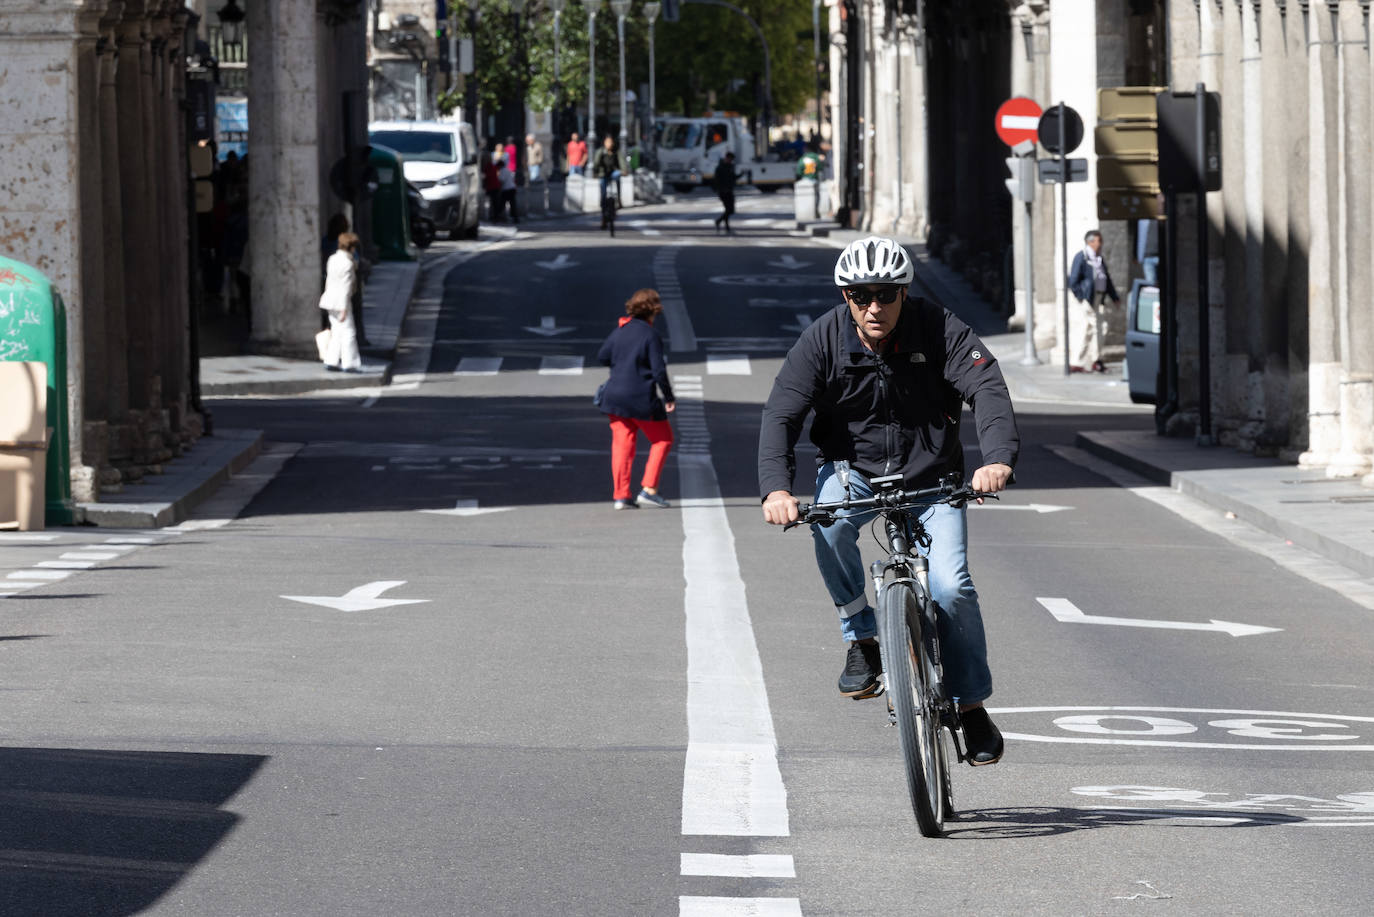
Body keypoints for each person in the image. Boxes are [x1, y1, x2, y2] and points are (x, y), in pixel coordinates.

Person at [758, 236, 1019, 766]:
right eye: (860, 296)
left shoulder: (940, 328)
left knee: (950, 587)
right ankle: (863, 639)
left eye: (885, 295)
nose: (873, 306)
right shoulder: (823, 339)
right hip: (853, 473)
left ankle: (970, 709)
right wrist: (776, 489)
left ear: (904, 293)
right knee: (827, 525)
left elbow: (987, 389)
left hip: (933, 479)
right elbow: (781, 414)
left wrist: (996, 459)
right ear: (846, 297)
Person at [597, 288, 676, 510]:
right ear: (653, 311)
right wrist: (668, 396)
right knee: (662, 439)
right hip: (641, 398)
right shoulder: (650, 335)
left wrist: (623, 362)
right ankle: (649, 489)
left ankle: (621, 496)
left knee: (622, 446)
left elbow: (603, 356)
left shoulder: (620, 331)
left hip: (614, 398)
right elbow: (659, 371)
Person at [1066, 228, 1121, 373]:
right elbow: (1073, 280)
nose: (1101, 243)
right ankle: (1087, 361)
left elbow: (1106, 279)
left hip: (1098, 298)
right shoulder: (1082, 257)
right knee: (1092, 328)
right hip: (1087, 299)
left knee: (1100, 328)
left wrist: (1114, 297)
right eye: (1099, 240)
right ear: (1090, 242)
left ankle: (1092, 360)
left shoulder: (1098, 259)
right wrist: (1081, 297)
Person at [319, 232, 362, 372]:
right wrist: (344, 309)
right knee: (348, 332)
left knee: (336, 331)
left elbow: (329, 281)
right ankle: (349, 363)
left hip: (329, 300)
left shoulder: (332, 259)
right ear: (351, 248)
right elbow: (345, 287)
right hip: (341, 302)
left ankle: (331, 360)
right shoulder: (348, 264)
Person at [592, 136, 623, 228]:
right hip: (603, 173)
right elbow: (596, 163)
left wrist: (624, 170)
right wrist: (595, 172)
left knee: (618, 176)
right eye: (607, 142)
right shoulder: (600, 152)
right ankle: (603, 213)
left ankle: (619, 198)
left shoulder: (616, 151)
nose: (609, 144)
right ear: (604, 143)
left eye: (611, 142)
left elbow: (622, 162)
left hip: (613, 172)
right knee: (603, 192)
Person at [713, 151, 737, 234]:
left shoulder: (730, 166)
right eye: (730, 159)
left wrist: (742, 174)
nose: (730, 161)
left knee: (730, 210)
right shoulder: (720, 167)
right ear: (726, 158)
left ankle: (721, 222)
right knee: (728, 209)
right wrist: (719, 189)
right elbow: (716, 180)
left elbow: (733, 177)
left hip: (729, 190)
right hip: (723, 191)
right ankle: (724, 225)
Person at [498, 153, 519, 224]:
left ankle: (500, 217)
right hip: (512, 188)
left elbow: (502, 180)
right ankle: (515, 217)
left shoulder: (502, 171)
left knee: (502, 204)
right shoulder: (508, 169)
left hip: (507, 189)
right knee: (513, 204)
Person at [480, 151, 501, 222]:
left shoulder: (488, 167)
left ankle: (494, 217)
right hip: (493, 186)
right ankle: (494, 217)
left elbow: (487, 177)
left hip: (492, 187)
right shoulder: (491, 166)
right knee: (494, 203)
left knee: (492, 203)